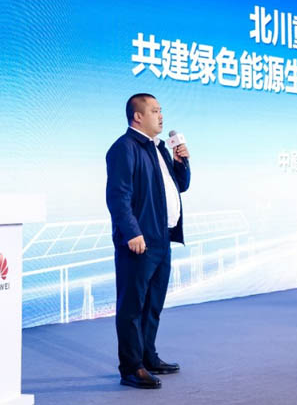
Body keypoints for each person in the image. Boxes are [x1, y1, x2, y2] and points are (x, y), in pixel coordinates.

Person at [105, 93, 191, 389]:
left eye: (161, 110)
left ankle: (147, 356)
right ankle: (131, 368)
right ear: (138, 116)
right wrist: (132, 232)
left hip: (162, 238)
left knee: (153, 304)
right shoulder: (124, 148)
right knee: (132, 306)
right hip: (139, 241)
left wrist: (182, 163)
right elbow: (118, 195)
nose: (161, 115)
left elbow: (180, 186)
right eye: (155, 111)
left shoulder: (159, 149)